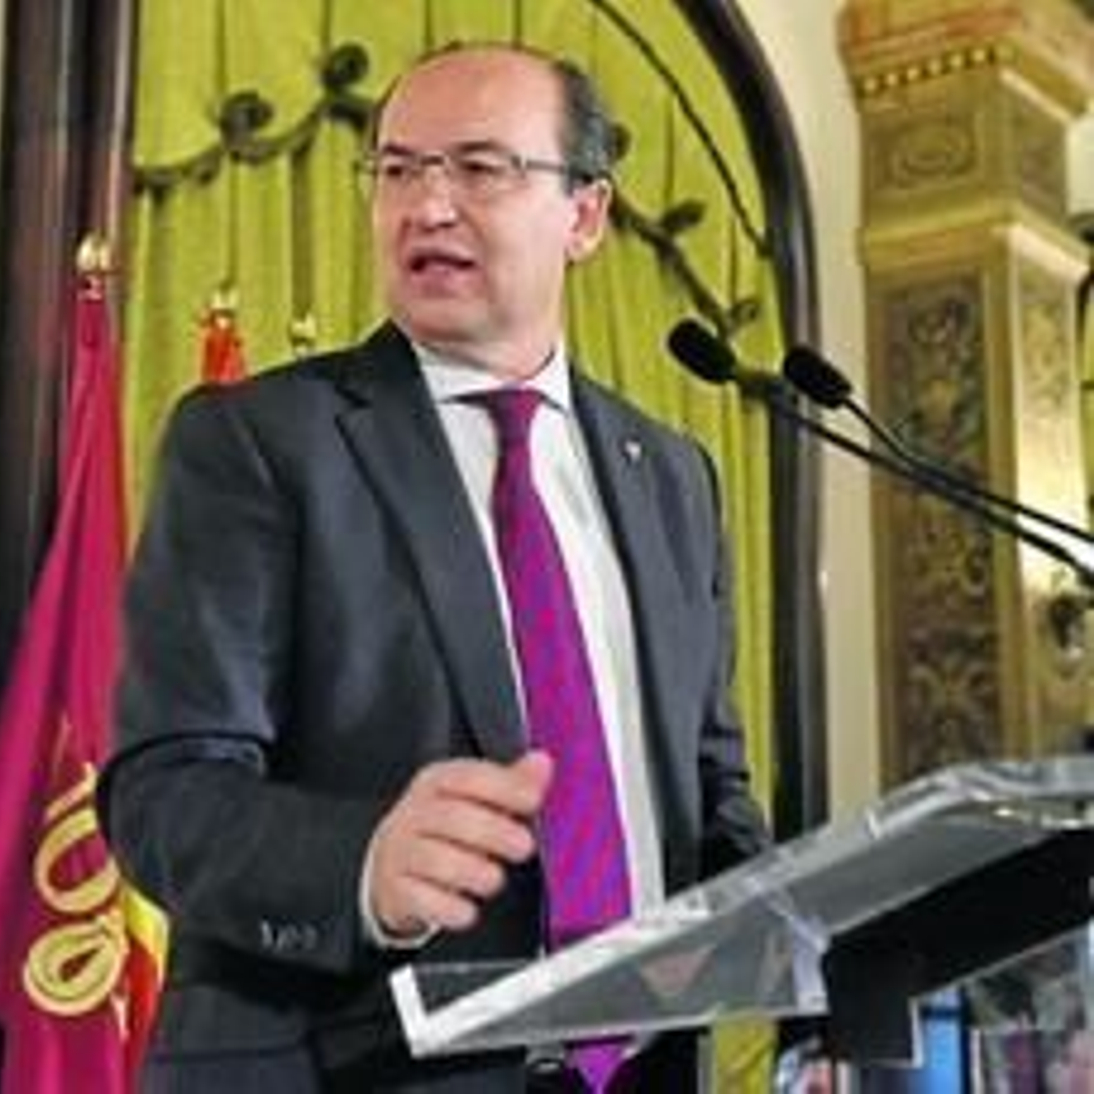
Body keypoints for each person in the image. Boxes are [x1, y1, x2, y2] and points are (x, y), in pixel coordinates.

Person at [97, 42, 770, 1092]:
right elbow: (162, 792)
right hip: (348, 1065)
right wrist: (360, 862)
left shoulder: (671, 476)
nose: (428, 205)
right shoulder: (262, 441)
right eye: (398, 169)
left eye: (479, 167)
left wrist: (797, 924)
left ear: (585, 215)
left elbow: (709, 790)